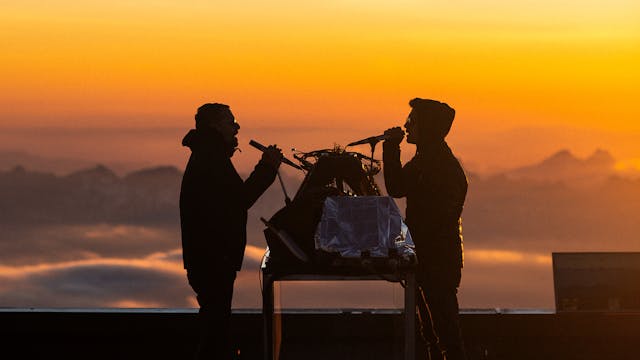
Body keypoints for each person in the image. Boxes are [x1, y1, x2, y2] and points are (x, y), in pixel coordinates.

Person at [179, 103, 283, 359]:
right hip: (214, 260)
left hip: (208, 259)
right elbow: (240, 199)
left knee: (215, 327)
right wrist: (267, 168)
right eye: (230, 122)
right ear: (215, 127)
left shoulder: (207, 155)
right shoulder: (212, 159)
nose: (236, 128)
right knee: (215, 332)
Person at [382, 98, 468, 360]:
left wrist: (390, 148)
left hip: (436, 261)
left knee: (443, 333)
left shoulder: (434, 165)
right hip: (433, 259)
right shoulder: (431, 160)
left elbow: (396, 187)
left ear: (427, 127)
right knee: (434, 332)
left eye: (413, 121)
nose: (407, 125)